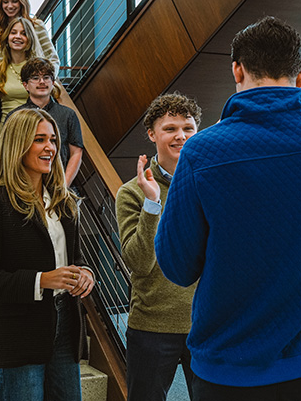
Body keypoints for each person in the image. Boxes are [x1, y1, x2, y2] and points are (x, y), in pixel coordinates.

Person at [154, 16, 301, 400]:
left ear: (237, 70)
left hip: (230, 371)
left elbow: (177, 266)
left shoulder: (202, 151)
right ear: (300, 76)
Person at [0, 108, 94, 400]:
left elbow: (76, 258)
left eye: (52, 140)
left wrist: (86, 273)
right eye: (39, 140)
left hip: (65, 324)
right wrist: (42, 280)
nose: (49, 147)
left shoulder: (64, 200)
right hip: (18, 331)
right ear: (18, 145)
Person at [115, 93, 201, 400]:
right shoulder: (131, 193)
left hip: (204, 325)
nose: (181, 136)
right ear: (152, 134)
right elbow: (139, 263)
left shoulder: (208, 183)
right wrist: (153, 203)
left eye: (188, 128)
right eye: (170, 128)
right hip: (151, 328)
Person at [8, 57, 83, 186]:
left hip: (60, 184)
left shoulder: (68, 114)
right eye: (35, 78)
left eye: (46, 77)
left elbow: (76, 153)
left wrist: (63, 186)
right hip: (25, 186)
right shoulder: (15, 116)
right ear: (25, 85)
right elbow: (9, 153)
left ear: (53, 82)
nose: (42, 82)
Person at [0, 17, 39, 121]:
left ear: (30, 39)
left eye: (23, 34)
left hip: (33, 128)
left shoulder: (38, 69)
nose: (18, 37)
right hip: (6, 129)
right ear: (7, 37)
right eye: (13, 32)